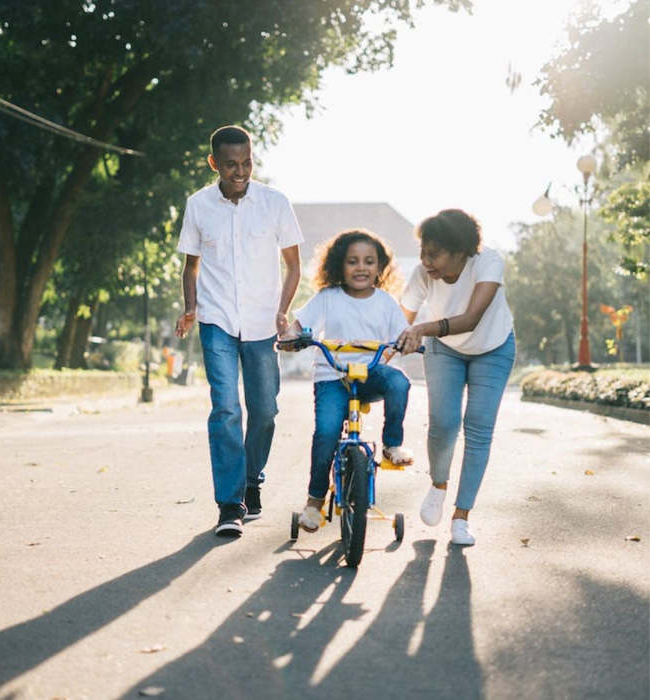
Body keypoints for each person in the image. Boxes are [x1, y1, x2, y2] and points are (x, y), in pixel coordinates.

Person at [175, 125, 303, 537]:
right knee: (227, 408)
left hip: (263, 323)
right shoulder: (198, 205)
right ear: (214, 163)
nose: (240, 171)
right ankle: (229, 504)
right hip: (216, 321)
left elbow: (293, 265)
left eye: (246, 162)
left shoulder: (275, 203)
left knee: (264, 411)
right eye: (230, 164)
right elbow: (191, 265)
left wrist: (283, 311)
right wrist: (191, 308)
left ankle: (252, 481)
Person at [281, 229, 414, 532]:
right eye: (352, 261)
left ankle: (392, 444)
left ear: (380, 268)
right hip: (333, 376)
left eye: (369, 261)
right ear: (340, 265)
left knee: (399, 383)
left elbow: (401, 334)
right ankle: (314, 502)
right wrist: (291, 336)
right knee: (327, 433)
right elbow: (299, 325)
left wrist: (407, 342)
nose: (361, 267)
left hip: (370, 374)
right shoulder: (327, 298)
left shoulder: (386, 302)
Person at [397, 209, 515, 546]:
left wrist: (422, 328)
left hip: (493, 347)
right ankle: (438, 485)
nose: (426, 261)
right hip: (445, 350)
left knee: (478, 427)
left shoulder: (487, 263)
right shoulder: (423, 274)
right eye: (423, 252)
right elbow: (399, 320)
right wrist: (384, 348)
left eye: (434, 253)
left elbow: (472, 318)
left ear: (460, 250)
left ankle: (462, 517)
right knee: (444, 423)